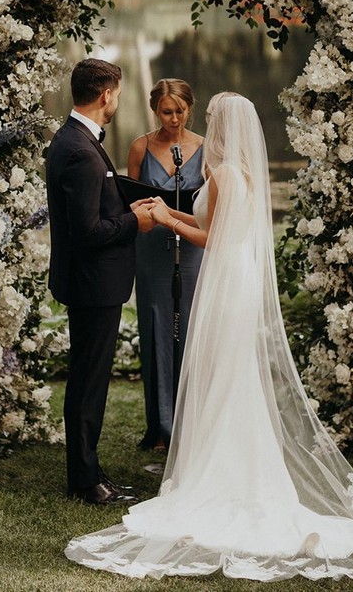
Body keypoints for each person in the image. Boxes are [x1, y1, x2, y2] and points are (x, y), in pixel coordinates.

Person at [65, 92, 353, 580]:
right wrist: (168, 215)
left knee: (225, 372)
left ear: (224, 127)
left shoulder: (224, 175)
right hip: (234, 278)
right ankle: (231, 459)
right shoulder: (236, 174)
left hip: (227, 281)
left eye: (210, 119)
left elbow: (215, 237)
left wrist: (166, 220)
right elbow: (209, 223)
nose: (202, 123)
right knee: (232, 372)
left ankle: (224, 471)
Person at [45, 58, 155, 506]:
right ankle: (86, 481)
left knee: (89, 380)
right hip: (93, 283)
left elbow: (98, 197)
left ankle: (87, 471)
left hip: (92, 283)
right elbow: (87, 230)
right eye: (118, 92)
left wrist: (136, 199)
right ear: (107, 94)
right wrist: (136, 221)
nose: (118, 100)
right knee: (89, 382)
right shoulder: (77, 148)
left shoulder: (75, 139)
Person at [126, 79, 204, 452]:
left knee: (190, 331)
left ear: (190, 107)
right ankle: (159, 426)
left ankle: (192, 425)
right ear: (155, 110)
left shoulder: (206, 149)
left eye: (180, 111)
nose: (174, 119)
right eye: (166, 112)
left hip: (190, 250)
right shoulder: (140, 147)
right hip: (152, 251)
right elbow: (128, 202)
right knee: (157, 329)